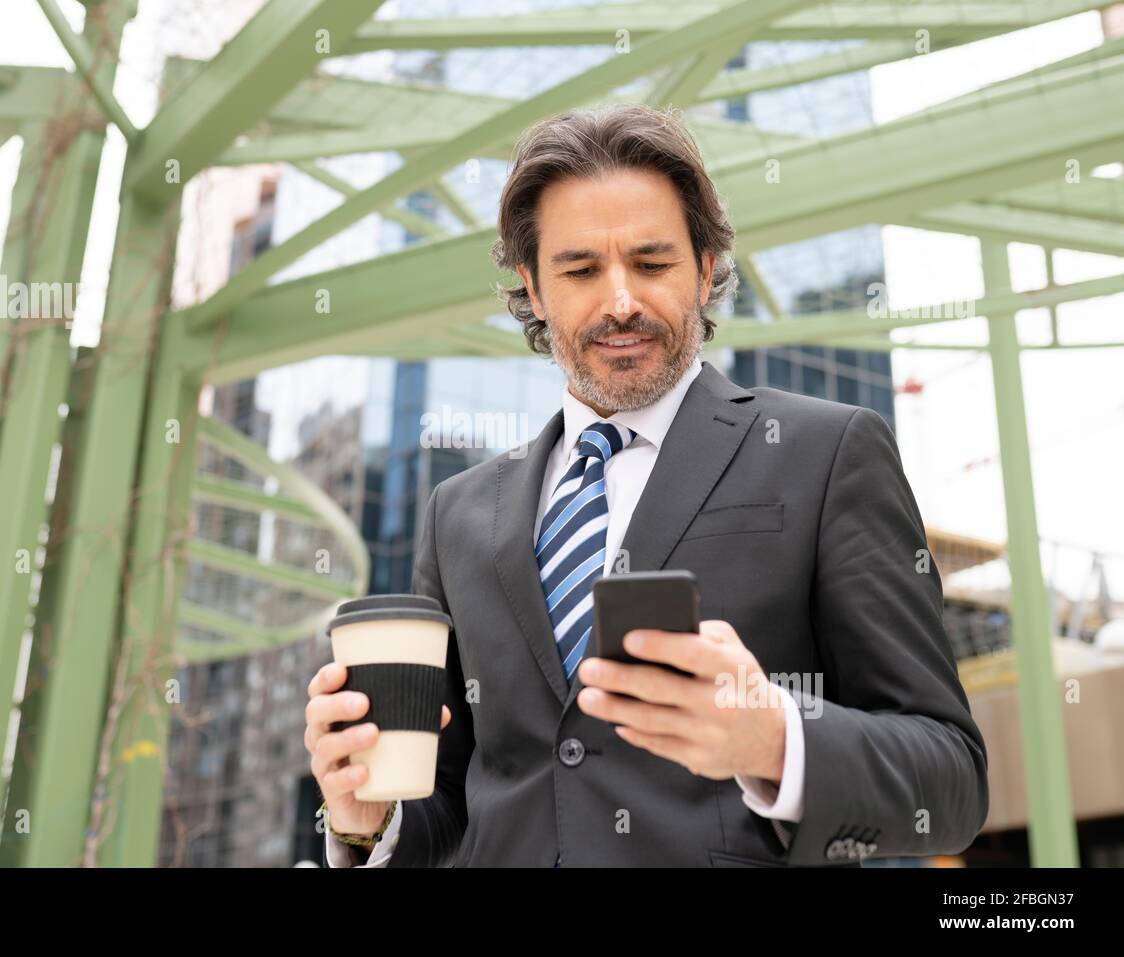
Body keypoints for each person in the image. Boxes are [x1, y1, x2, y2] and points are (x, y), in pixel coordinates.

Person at [304, 103, 988, 867]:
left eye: (652, 262)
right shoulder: (457, 512)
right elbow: (458, 805)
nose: (621, 299)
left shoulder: (827, 454)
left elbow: (950, 780)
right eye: (581, 269)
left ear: (704, 269)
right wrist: (365, 822)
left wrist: (773, 737)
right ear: (532, 285)